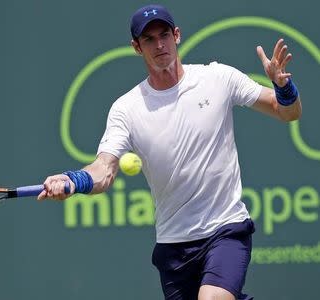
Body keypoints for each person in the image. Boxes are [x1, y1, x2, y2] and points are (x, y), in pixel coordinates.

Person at [38, 4, 302, 300]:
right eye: (149, 39)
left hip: (226, 230)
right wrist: (74, 181)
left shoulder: (218, 78)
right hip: (174, 247)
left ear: (177, 35)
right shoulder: (127, 108)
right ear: (136, 47)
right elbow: (104, 170)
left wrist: (284, 87)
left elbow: (286, 113)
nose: (159, 44)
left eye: (164, 34)